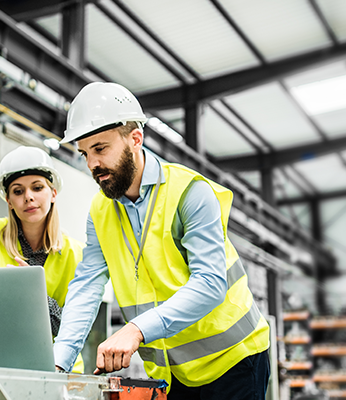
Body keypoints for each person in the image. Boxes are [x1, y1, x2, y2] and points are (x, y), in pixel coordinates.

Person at [53, 82, 270, 399]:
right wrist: (59, 364)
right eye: (85, 153)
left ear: (135, 139)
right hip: (176, 373)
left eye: (101, 149)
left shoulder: (190, 193)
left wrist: (136, 329)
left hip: (235, 360)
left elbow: (210, 282)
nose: (92, 165)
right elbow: (87, 285)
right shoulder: (100, 212)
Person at [0, 146, 84, 373]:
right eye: (18, 191)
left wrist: (32, 292)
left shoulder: (76, 253)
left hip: (57, 369)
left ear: (53, 193)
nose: (28, 197)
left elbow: (70, 327)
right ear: (9, 201)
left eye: (37, 188)